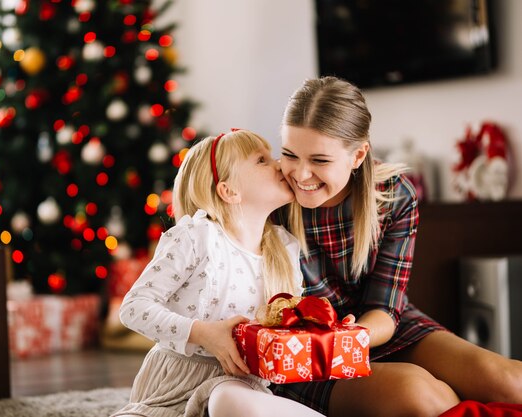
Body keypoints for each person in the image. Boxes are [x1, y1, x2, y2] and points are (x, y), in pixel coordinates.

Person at [272, 76, 522, 417]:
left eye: (319, 160)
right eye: (289, 154)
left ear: (358, 155)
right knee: (422, 395)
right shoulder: (272, 199)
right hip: (310, 351)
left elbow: (386, 309)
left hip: (376, 327)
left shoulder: (394, 196)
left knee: (510, 382)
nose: (300, 174)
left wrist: (351, 335)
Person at [111, 130, 324, 417]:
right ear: (229, 191)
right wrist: (202, 333)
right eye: (261, 160)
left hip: (240, 389)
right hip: (174, 389)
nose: (278, 164)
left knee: (229, 398)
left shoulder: (285, 248)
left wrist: (323, 326)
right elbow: (134, 308)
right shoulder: (197, 237)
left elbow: (288, 326)